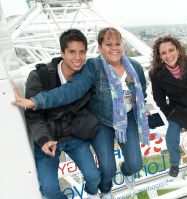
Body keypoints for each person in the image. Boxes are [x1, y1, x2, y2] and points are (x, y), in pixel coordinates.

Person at [13, 27, 149, 199]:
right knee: (104, 170)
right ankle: (105, 191)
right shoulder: (92, 68)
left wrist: (141, 110)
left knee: (134, 165)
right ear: (100, 48)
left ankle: (119, 175)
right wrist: (35, 102)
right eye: (108, 44)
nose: (114, 48)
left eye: (117, 44)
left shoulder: (134, 66)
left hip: (106, 125)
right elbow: (71, 90)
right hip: (93, 125)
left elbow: (141, 92)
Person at [21, 29, 101, 199]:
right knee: (49, 190)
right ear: (62, 53)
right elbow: (33, 116)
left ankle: (93, 195)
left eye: (82, 52)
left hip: (74, 135)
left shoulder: (86, 77)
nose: (78, 57)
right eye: (72, 52)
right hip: (48, 138)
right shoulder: (39, 77)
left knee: (94, 177)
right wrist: (43, 139)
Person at [149, 36, 187, 177]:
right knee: (171, 138)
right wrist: (171, 114)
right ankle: (175, 163)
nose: (168, 55)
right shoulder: (156, 74)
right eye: (163, 53)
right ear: (159, 56)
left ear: (178, 50)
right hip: (179, 108)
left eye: (171, 50)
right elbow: (160, 99)